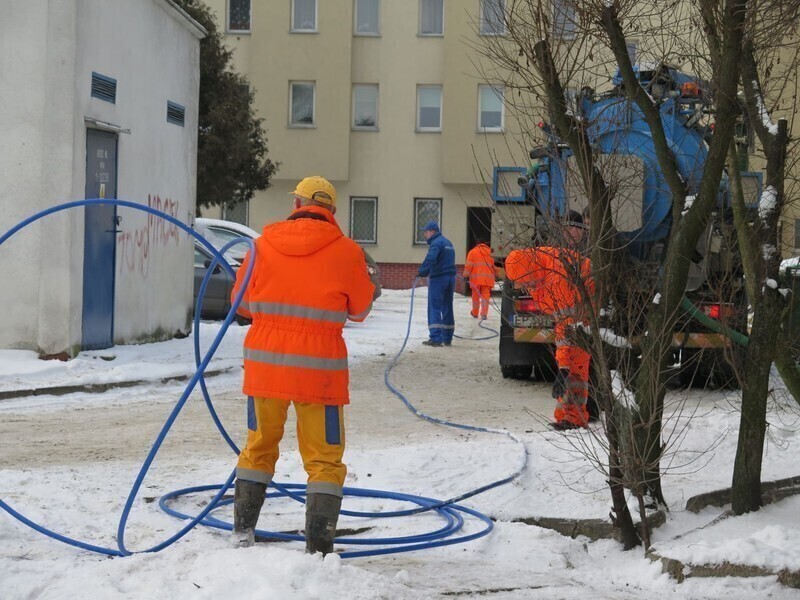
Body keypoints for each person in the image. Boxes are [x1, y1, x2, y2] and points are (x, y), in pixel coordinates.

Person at [230, 175, 375, 555]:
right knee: (324, 458)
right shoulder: (348, 252)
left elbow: (240, 303)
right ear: (332, 212)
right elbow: (360, 310)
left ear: (296, 206)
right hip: (319, 375)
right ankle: (319, 547)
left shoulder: (260, 247)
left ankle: (243, 532)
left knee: (258, 447)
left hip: (266, 369)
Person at [505, 210, 594, 429]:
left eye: (526, 283)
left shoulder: (555, 274)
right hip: (581, 319)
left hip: (581, 322)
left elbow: (566, 326)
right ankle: (575, 413)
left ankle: (573, 418)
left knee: (574, 369)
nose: (526, 288)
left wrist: (563, 368)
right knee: (576, 369)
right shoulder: (548, 262)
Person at [418, 221, 456, 347]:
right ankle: (447, 337)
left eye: (426, 232)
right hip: (450, 278)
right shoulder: (448, 243)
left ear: (432, 232)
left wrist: (422, 271)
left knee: (434, 307)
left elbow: (431, 259)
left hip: (438, 278)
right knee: (447, 306)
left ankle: (435, 338)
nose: (425, 235)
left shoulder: (436, 243)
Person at [463, 237, 496, 320]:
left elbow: (468, 266)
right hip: (487, 279)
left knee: (475, 297)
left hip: (476, 279)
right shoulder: (490, 252)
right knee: (485, 297)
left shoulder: (472, 252)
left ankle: (475, 313)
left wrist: (465, 275)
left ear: (477, 243)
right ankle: (484, 314)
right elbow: (494, 266)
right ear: (485, 244)